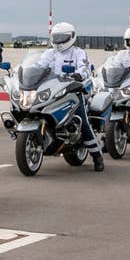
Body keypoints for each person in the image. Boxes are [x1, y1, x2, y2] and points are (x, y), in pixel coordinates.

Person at [38, 22, 103, 171]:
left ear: (71, 37)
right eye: (56, 37)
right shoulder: (49, 53)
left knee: (83, 121)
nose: (59, 41)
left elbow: (85, 68)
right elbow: (39, 67)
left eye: (62, 37)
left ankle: (97, 156)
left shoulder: (78, 52)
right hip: (52, 91)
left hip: (72, 91)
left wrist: (79, 74)